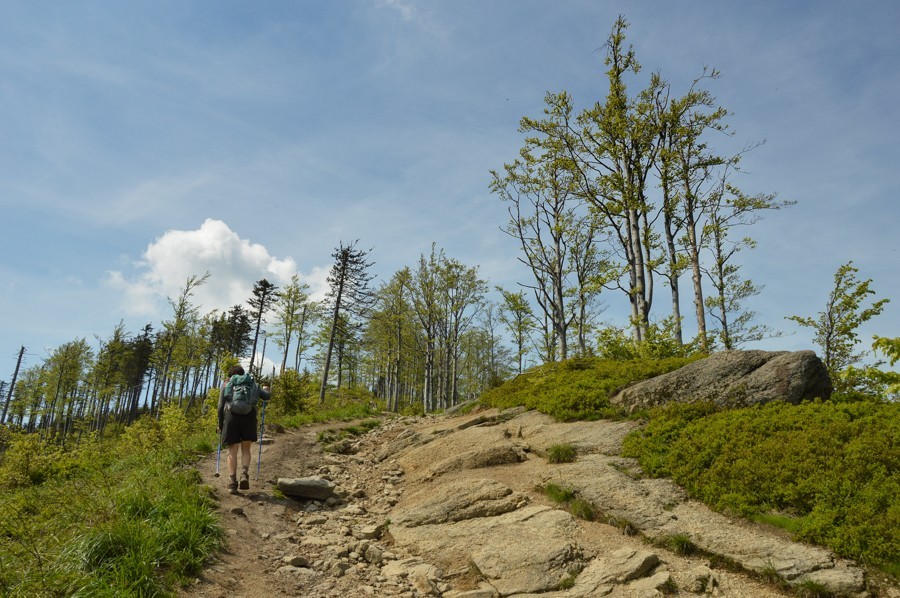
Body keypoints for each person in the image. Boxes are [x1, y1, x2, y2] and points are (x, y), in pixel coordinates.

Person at [217, 365, 271, 492]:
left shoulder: (226, 384)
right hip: (249, 417)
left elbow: (220, 406)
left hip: (232, 417)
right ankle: (244, 474)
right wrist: (267, 389)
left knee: (232, 451)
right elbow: (267, 397)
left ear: (230, 375)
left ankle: (232, 483)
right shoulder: (253, 384)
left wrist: (220, 424)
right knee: (246, 448)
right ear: (243, 374)